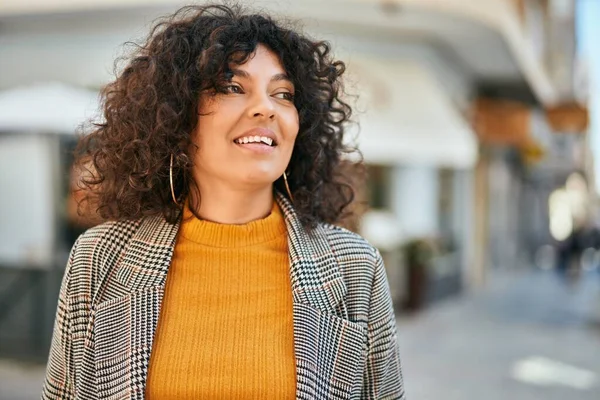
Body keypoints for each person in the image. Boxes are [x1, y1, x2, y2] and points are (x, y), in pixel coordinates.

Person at [42, 3, 405, 399]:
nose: (266, 107)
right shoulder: (99, 259)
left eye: (283, 93)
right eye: (233, 86)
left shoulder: (355, 267)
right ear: (176, 115)